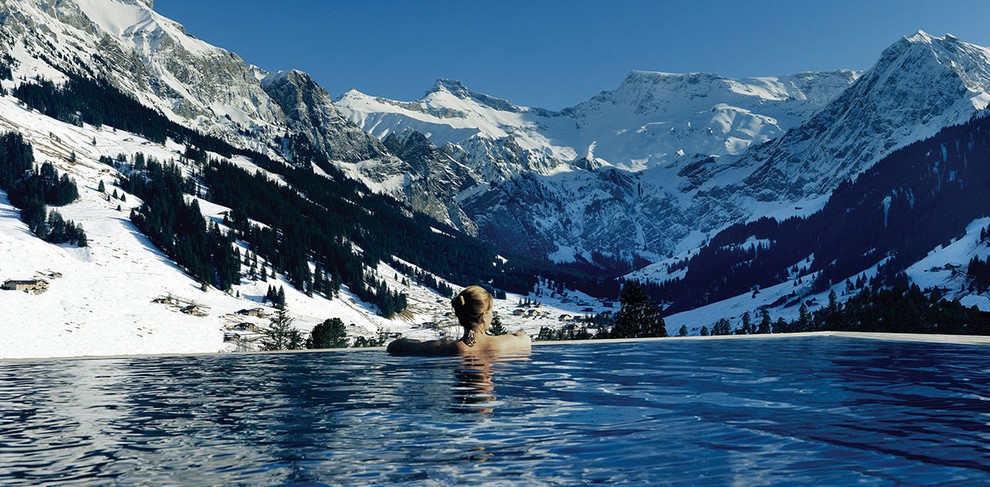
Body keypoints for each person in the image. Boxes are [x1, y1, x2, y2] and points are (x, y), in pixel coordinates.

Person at [387, 285, 532, 356]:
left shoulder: (451, 348)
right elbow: (525, 339)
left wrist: (419, 343)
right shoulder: (502, 344)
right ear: (483, 317)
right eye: (491, 311)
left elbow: (394, 346)